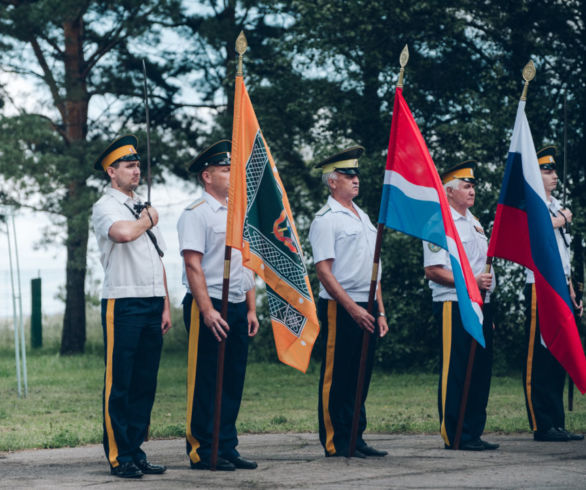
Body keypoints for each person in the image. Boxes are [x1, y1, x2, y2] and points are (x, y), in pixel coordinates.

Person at [91, 135, 172, 478]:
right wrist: (148, 220)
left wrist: (166, 304)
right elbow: (122, 234)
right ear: (112, 172)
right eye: (128, 165)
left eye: (138, 164)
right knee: (120, 382)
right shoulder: (105, 205)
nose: (136, 170)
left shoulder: (141, 205)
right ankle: (118, 454)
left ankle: (136, 449)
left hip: (152, 301)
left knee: (144, 382)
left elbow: (158, 257)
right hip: (123, 302)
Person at [177, 140, 259, 471]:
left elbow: (247, 263)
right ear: (207, 176)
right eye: (226, 171)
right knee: (208, 378)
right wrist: (207, 309)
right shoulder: (196, 214)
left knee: (232, 378)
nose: (232, 176)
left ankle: (226, 445)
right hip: (207, 305)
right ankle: (202, 448)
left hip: (238, 303)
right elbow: (192, 265)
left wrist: (251, 308)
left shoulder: (239, 213)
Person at [308, 145, 389, 458]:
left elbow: (374, 270)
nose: (356, 179)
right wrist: (352, 308)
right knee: (338, 373)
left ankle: (356, 435)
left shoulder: (363, 216)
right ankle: (336, 439)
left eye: (356, 174)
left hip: (366, 304)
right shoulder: (326, 219)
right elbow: (324, 272)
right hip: (340, 306)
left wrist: (379, 310)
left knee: (360, 373)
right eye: (348, 174)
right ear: (332, 181)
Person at [423, 161, 498, 451]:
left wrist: (483, 304)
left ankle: (473, 432)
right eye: (466, 186)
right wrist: (472, 285)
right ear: (450, 191)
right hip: (452, 304)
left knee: (479, 370)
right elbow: (434, 271)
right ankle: (453, 433)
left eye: (473, 186)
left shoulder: (475, 222)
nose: (472, 191)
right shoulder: (439, 223)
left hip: (480, 305)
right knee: (455, 369)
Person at [522, 145, 584, 442]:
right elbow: (538, 232)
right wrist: (562, 220)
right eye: (547, 170)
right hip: (538, 286)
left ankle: (557, 422)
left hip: (559, 287)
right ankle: (541, 423)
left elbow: (563, 253)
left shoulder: (557, 203)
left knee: (558, 353)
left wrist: (571, 289)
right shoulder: (531, 203)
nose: (554, 175)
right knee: (538, 355)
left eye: (554, 170)